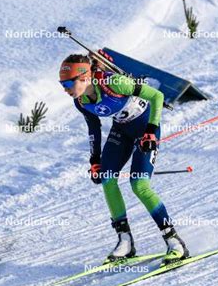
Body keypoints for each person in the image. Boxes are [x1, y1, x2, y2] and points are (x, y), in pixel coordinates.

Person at [58, 52, 189, 264]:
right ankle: (125, 241)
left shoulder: (114, 83)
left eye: (68, 83)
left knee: (139, 185)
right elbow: (94, 128)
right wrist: (94, 160)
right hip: (122, 131)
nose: (64, 89)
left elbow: (156, 96)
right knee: (107, 179)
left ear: (83, 78)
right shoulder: (80, 101)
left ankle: (174, 241)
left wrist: (151, 130)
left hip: (145, 129)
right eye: (62, 84)